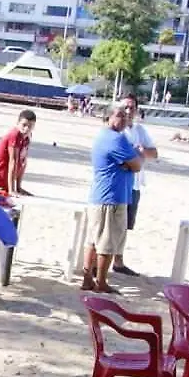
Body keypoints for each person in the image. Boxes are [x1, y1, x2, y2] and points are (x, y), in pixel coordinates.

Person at [82, 101, 143, 293]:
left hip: (100, 195)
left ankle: (87, 279)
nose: (124, 118)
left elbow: (131, 163)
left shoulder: (103, 136)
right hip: (111, 197)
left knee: (93, 239)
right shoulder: (116, 139)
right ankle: (100, 282)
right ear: (108, 117)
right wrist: (136, 157)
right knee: (107, 243)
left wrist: (130, 161)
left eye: (125, 115)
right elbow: (136, 165)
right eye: (120, 115)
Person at [113, 94, 157, 277]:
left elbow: (154, 153)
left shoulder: (140, 130)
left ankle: (118, 261)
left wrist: (141, 151)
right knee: (111, 223)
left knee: (125, 226)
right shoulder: (117, 130)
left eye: (132, 108)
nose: (129, 111)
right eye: (126, 107)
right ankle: (99, 263)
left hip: (135, 185)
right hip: (119, 183)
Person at [0, 110, 36, 197]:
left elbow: (23, 162)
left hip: (6, 182)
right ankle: (10, 188)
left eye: (30, 126)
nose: (26, 129)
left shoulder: (28, 137)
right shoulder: (14, 135)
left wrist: (18, 187)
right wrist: (11, 190)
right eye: (24, 125)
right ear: (18, 123)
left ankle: (14, 187)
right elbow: (13, 162)